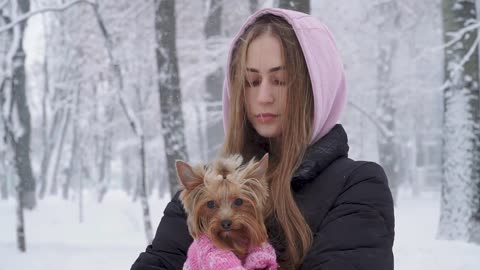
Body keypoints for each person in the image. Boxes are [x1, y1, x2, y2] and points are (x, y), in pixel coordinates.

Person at [131, 7, 394, 270]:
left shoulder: (357, 187)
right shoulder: (204, 192)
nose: (264, 97)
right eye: (251, 81)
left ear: (317, 88)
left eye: (280, 80)